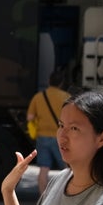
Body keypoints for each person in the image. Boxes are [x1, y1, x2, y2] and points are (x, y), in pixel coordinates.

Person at [27, 68, 69, 196]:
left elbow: (30, 118)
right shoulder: (66, 97)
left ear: (49, 81)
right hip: (61, 137)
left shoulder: (38, 97)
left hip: (42, 137)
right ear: (61, 83)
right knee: (67, 169)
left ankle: (43, 199)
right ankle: (66, 197)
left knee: (43, 169)